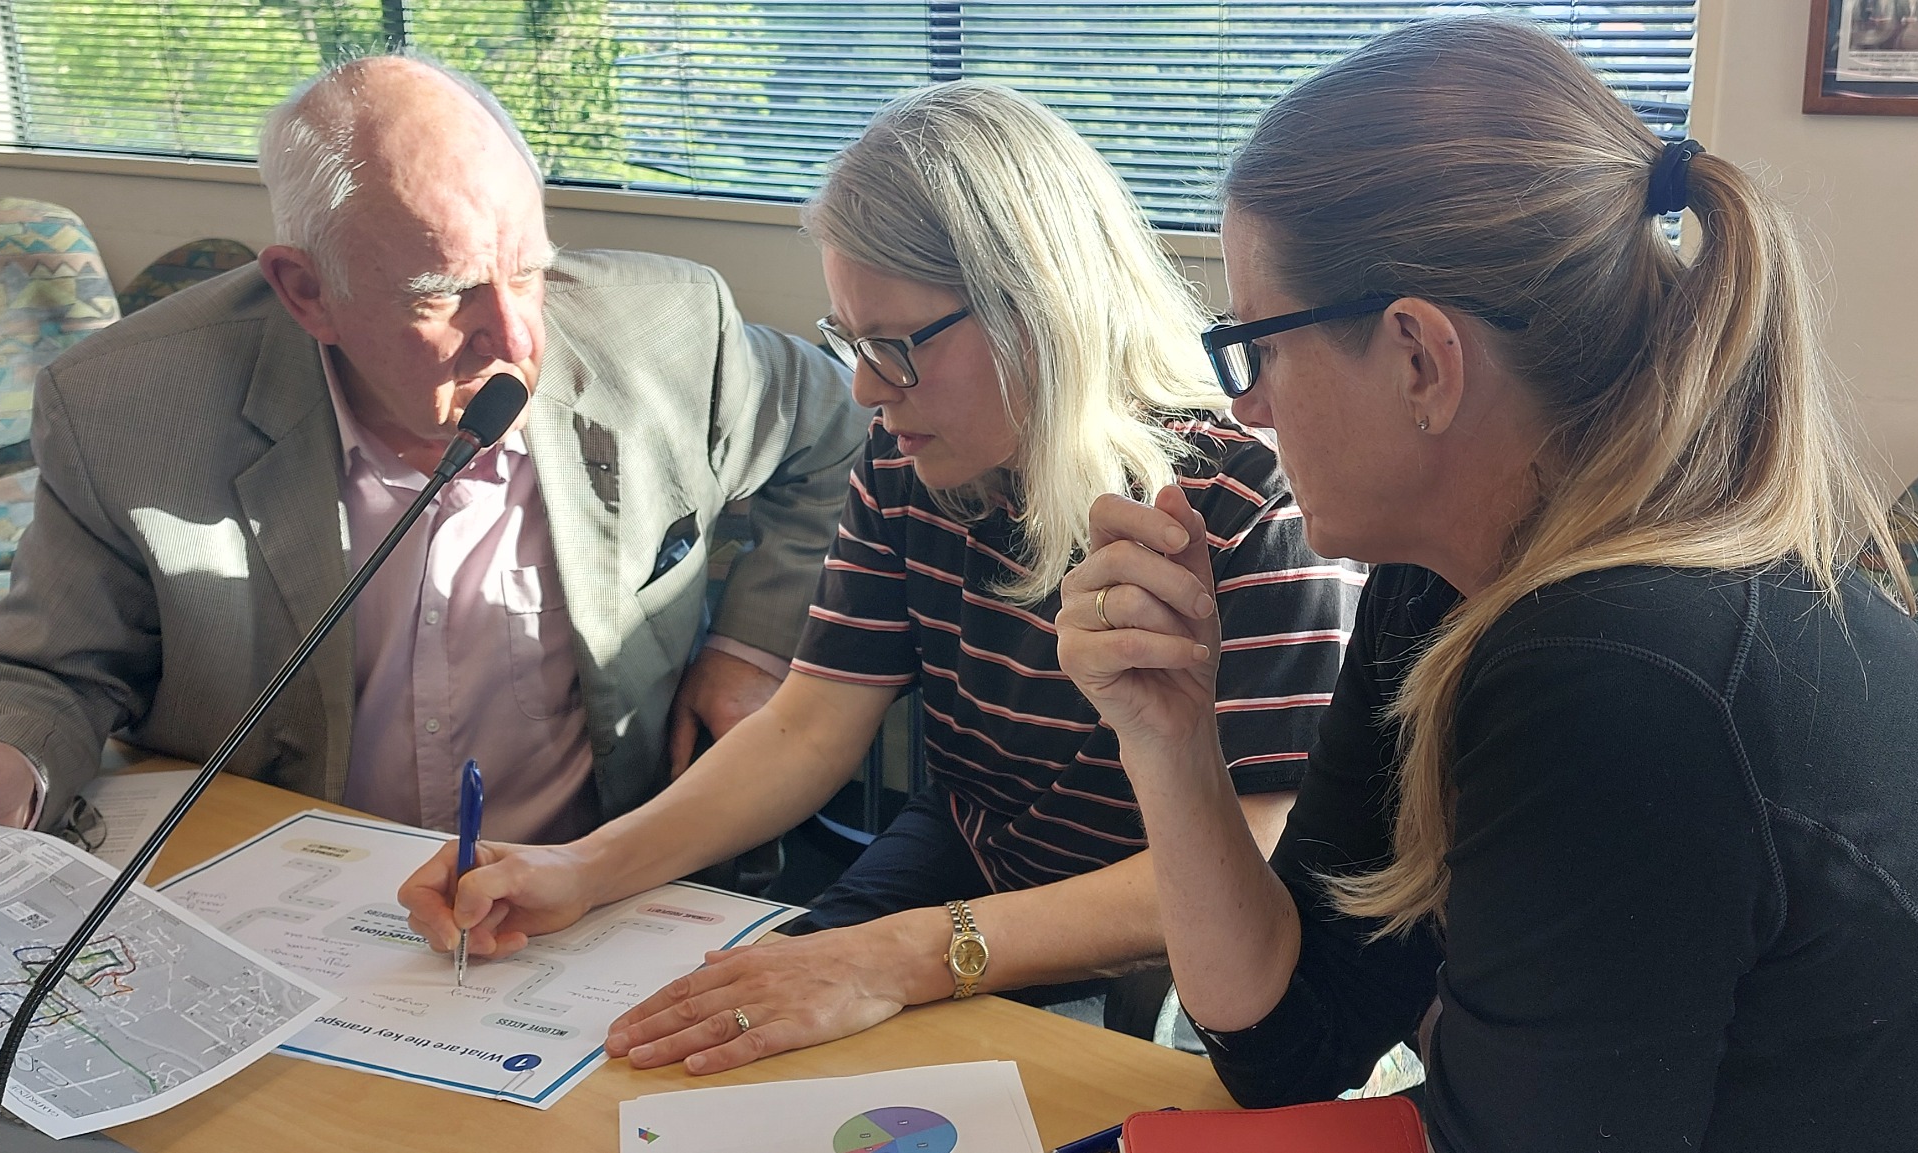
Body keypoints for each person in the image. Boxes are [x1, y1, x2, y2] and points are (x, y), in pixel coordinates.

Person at [1055, 17, 1918, 1152]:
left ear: (1421, 358)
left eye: (1252, 345)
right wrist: (1167, 736)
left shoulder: (1621, 664)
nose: (1247, 405)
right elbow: (1292, 1043)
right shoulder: (1451, 582)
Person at [398, 81, 1358, 1075]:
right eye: (850, 342)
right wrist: (582, 865)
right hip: (972, 853)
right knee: (709, 1052)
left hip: (1171, 919)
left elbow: (1249, 850)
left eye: (894, 347)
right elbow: (810, 723)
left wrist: (901, 955)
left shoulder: (1255, 503)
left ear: (1038, 311)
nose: (863, 388)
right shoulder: (911, 457)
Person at [0, 55, 866, 847]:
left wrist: (754, 647)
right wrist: (5, 751)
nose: (514, 339)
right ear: (304, 291)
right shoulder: (129, 407)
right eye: (438, 296)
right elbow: (48, 666)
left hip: (596, 881)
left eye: (529, 270)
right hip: (287, 886)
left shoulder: (668, 332)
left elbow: (846, 435)